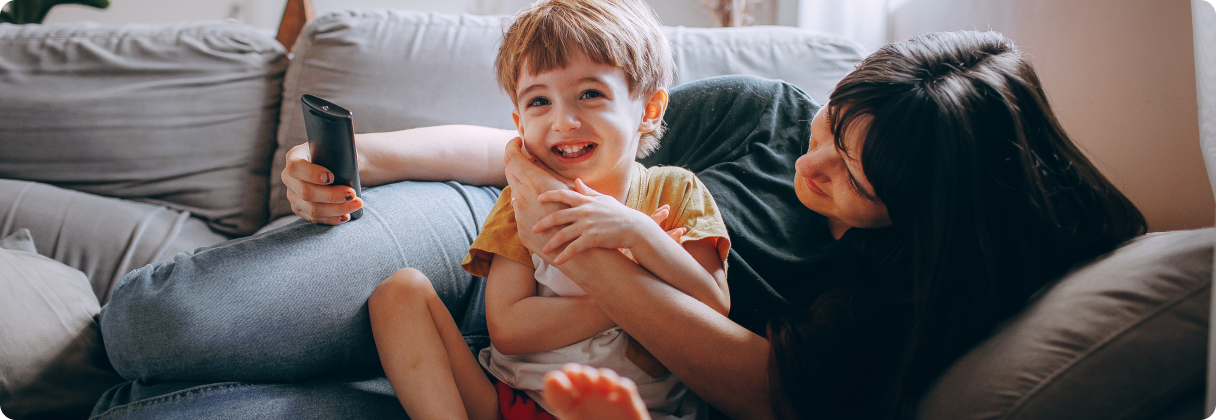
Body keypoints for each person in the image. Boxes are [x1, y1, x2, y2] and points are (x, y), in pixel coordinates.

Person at [101, 30, 1146, 420]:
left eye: (843, 175)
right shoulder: (766, 117)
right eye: (829, 126)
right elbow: (548, 141)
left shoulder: (904, 290)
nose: (806, 164)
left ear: (915, 216)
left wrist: (590, 250)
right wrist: (353, 158)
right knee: (154, 332)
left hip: (557, 351)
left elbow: (767, 386)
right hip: (482, 233)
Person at [364, 0, 729, 419]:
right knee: (400, 292)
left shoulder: (675, 191)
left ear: (649, 110)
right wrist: (628, 293)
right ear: (519, 124)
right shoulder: (521, 202)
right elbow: (509, 329)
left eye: (590, 94)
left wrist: (635, 232)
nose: (564, 121)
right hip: (516, 403)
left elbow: (713, 305)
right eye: (539, 102)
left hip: (640, 408)